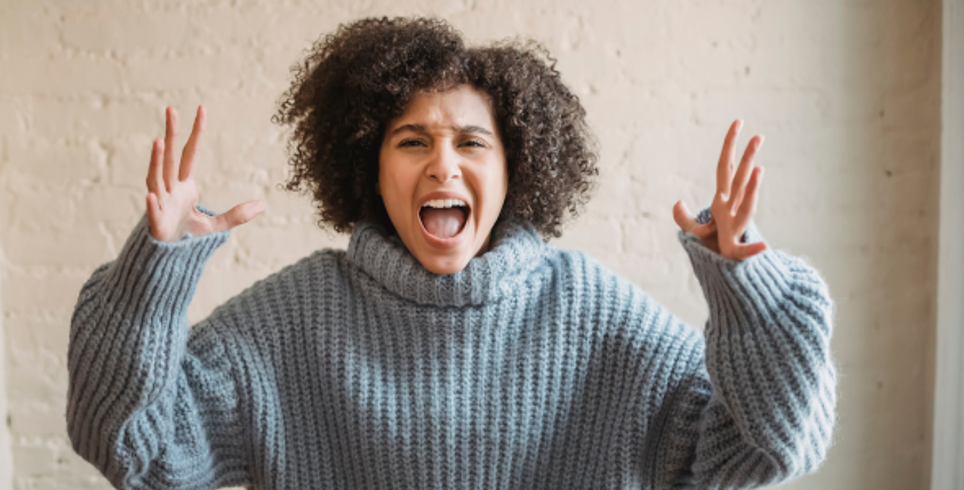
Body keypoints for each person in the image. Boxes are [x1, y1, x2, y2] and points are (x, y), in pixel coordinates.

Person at [66, 16, 836, 490]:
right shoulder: (291, 322)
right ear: (369, 166)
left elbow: (767, 450)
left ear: (515, 170)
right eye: (412, 142)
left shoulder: (593, 315)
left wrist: (751, 290)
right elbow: (139, 455)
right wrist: (149, 281)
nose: (443, 166)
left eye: (472, 143)